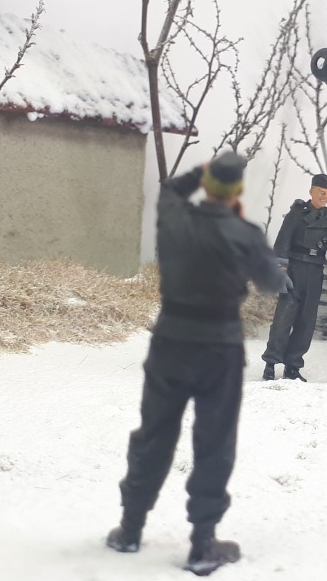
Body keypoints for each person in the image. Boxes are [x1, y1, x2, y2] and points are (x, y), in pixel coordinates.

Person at [106, 152, 285, 576]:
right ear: (237, 190)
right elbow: (270, 282)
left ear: (207, 184)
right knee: (214, 442)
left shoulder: (174, 216)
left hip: (170, 341)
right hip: (219, 347)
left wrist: (202, 171)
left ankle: (130, 528)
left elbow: (169, 189)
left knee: (153, 433)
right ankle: (203, 543)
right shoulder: (245, 233)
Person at [261, 174, 327, 383]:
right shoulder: (297, 213)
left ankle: (293, 365)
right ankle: (270, 362)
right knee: (283, 319)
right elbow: (282, 242)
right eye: (322, 193)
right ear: (311, 191)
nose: (325, 197)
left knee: (306, 321)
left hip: (315, 272)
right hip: (295, 269)